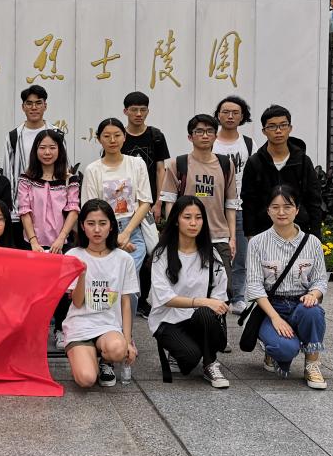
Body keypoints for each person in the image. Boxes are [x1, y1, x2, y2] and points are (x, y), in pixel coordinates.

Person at [246, 185, 329, 389]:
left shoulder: (312, 243)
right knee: (283, 348)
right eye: (275, 207)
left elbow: (320, 280)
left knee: (314, 311)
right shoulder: (257, 243)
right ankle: (272, 349)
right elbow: (255, 286)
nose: (281, 212)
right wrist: (275, 318)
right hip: (271, 307)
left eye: (287, 206)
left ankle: (312, 364)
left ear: (297, 210)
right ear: (268, 210)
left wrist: (313, 294)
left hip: (301, 304)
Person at [148, 196, 230, 388]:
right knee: (190, 358)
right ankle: (182, 350)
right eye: (187, 217)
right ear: (176, 220)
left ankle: (210, 364)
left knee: (206, 312)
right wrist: (202, 301)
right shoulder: (162, 254)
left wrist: (210, 304)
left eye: (198, 217)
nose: (193, 223)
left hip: (199, 319)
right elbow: (165, 298)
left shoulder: (211, 254)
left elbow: (219, 294)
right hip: (168, 320)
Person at [62, 199, 139, 389]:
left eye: (102, 223)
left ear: (111, 226)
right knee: (86, 379)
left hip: (108, 326)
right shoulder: (72, 256)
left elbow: (126, 303)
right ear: (82, 226)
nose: (97, 229)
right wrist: (82, 275)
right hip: (80, 325)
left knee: (118, 349)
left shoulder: (124, 259)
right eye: (91, 223)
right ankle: (86, 358)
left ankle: (106, 361)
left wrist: (128, 341)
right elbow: (77, 303)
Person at [18, 128, 80, 349]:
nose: (47, 152)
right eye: (42, 147)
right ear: (35, 150)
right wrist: (34, 241)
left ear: (59, 150)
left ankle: (60, 328)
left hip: (60, 243)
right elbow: (24, 210)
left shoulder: (69, 179)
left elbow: (73, 209)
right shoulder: (26, 178)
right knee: (34, 289)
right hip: (32, 242)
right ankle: (35, 330)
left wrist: (61, 239)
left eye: (52, 147)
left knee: (62, 289)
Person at [160, 114, 238, 287]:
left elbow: (231, 205)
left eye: (210, 131)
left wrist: (232, 238)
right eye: (199, 131)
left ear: (215, 136)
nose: (205, 135)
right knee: (186, 286)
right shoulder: (177, 164)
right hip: (187, 238)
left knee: (223, 289)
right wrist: (173, 234)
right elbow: (170, 204)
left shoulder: (226, 164)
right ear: (190, 136)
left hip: (218, 237)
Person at [121, 91, 171, 318]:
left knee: (153, 250)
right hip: (126, 206)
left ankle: (146, 299)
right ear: (126, 111)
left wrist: (158, 201)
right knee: (130, 251)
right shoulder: (119, 136)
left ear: (148, 111)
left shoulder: (156, 136)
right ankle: (131, 297)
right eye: (134, 110)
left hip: (149, 204)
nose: (138, 114)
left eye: (143, 109)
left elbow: (160, 169)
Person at [81, 118, 152, 272]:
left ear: (124, 137)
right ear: (99, 139)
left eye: (117, 135)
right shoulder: (92, 170)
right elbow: (90, 209)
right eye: (107, 136)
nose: (112, 140)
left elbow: (145, 202)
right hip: (103, 232)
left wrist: (126, 234)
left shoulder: (137, 164)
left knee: (130, 277)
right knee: (109, 277)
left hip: (133, 229)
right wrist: (114, 239)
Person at [240, 105, 323, 238]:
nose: (278, 131)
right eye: (272, 126)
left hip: (299, 230)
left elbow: (314, 199)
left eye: (283, 125)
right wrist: (250, 234)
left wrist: (315, 234)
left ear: (290, 128)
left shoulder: (303, 161)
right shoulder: (254, 162)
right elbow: (249, 201)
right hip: (264, 232)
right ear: (264, 131)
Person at [212, 96, 254, 315]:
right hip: (214, 207)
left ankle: (238, 297)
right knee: (212, 254)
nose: (230, 116)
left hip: (240, 207)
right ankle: (215, 294)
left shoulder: (248, 143)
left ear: (242, 116)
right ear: (218, 115)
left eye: (235, 113)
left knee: (240, 256)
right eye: (225, 112)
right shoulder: (211, 141)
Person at [5, 85, 49, 248]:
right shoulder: (13, 136)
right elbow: (8, 174)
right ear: (23, 107)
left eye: (38, 103)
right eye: (29, 103)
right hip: (20, 211)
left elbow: (63, 170)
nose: (34, 107)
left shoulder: (56, 134)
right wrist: (12, 208)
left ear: (45, 105)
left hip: (50, 210)